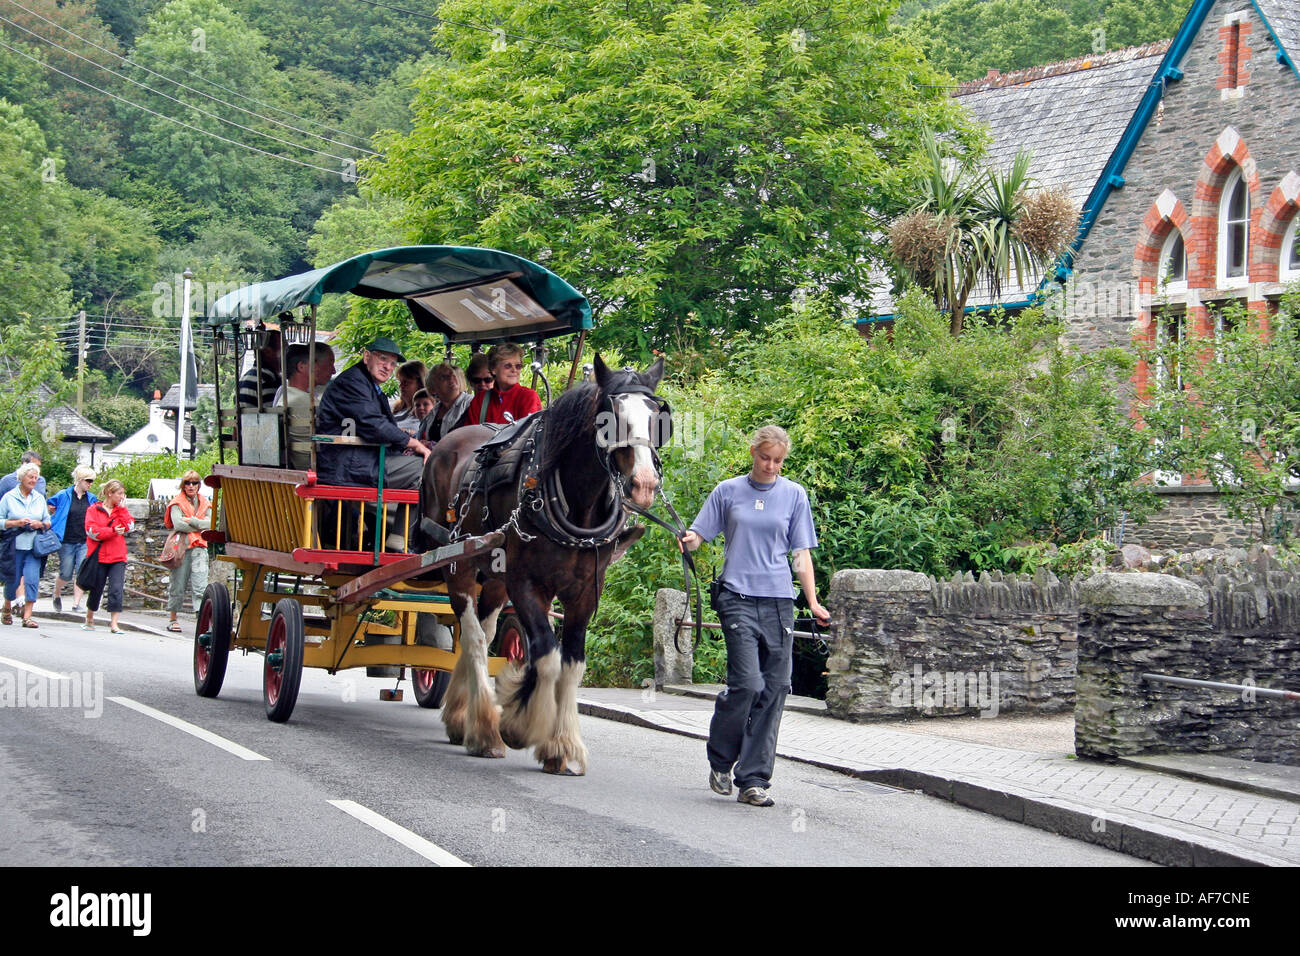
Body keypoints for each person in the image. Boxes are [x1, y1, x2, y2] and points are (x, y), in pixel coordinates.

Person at [678, 425, 831, 808]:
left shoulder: (795, 495)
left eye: (778, 461)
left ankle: (753, 779)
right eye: (765, 458)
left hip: (779, 601)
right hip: (737, 598)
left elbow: (801, 555)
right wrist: (689, 540)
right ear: (752, 453)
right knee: (747, 683)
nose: (771, 466)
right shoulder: (728, 491)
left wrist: (812, 602)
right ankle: (720, 759)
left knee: (776, 687)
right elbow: (700, 533)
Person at [315, 337, 431, 489]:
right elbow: (374, 424)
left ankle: (395, 512)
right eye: (383, 359)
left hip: (358, 459)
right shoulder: (352, 382)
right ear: (367, 357)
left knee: (419, 470)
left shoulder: (365, 383)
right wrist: (414, 444)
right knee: (426, 467)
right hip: (350, 464)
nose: (388, 367)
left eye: (393, 363)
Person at [0, 462, 50, 628]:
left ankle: (27, 616)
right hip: (14, 546)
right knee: (12, 581)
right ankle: (7, 606)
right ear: (21, 478)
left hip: (34, 547)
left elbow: (48, 521)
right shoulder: (9, 497)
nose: (34, 480)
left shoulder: (39, 498)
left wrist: (40, 524)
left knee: (32, 579)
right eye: (31, 477)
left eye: (36, 477)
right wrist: (16, 522)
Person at [84, 479, 133, 634]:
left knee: (116, 589)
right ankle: (90, 617)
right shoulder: (94, 509)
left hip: (118, 555)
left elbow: (129, 526)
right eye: (119, 493)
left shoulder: (121, 510)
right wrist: (111, 532)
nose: (122, 496)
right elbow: (92, 531)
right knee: (96, 588)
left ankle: (114, 623)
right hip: (99, 555)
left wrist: (123, 510)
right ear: (110, 493)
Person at [276, 343, 337, 469]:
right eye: (315, 365)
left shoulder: (285, 395)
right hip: (313, 471)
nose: (333, 370)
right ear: (302, 367)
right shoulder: (305, 402)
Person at [47, 465, 97, 613]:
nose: (90, 483)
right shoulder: (64, 494)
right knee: (66, 573)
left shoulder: (92, 498)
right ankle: (56, 593)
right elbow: (50, 503)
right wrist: (53, 511)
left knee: (81, 572)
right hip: (66, 540)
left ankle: (76, 603)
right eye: (88, 480)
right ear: (80, 480)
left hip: (84, 540)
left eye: (92, 481)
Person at [165, 470, 210, 632]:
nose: (191, 486)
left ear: (199, 485)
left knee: (201, 586)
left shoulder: (205, 502)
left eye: (195, 483)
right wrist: (200, 523)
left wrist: (191, 521)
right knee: (178, 584)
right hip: (182, 547)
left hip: (200, 548)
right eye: (188, 483)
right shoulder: (176, 503)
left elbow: (211, 524)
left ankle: (201, 621)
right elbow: (178, 525)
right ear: (183, 485)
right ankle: (172, 619)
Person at [482, 343, 542, 425]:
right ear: (493, 369)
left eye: (518, 366)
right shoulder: (480, 400)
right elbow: (468, 434)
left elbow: (527, 433)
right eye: (508, 366)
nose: (514, 370)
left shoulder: (528, 396)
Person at [424, 363, 472, 442]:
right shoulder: (434, 411)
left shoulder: (470, 403)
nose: (451, 378)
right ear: (432, 389)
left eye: (453, 375)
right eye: (443, 377)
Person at [237, 328, 282, 410]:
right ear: (268, 352)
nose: (287, 354)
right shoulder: (268, 379)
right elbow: (274, 416)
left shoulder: (245, 377)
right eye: (283, 348)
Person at [391, 360, 429, 436]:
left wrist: (404, 431)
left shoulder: (426, 410)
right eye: (400, 382)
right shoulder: (395, 408)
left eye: (406, 382)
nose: (401, 386)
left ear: (420, 384)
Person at [460, 353, 496, 427]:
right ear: (471, 382)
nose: (482, 384)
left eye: (487, 380)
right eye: (477, 380)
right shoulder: (470, 406)